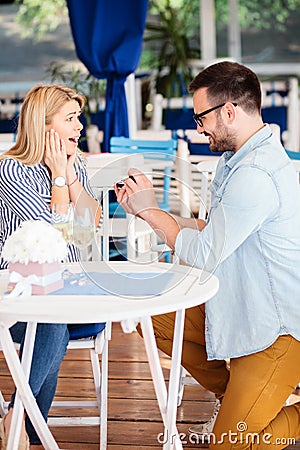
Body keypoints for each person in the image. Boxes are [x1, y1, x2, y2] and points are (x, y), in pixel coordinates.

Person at [115, 61, 300, 449]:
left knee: (228, 444)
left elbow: (204, 253)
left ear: (229, 112)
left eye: (202, 117)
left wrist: (150, 211)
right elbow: (211, 231)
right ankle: (237, 396)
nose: (199, 127)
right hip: (243, 305)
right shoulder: (239, 160)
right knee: (159, 316)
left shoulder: (256, 174)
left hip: (276, 329)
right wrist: (151, 212)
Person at [0, 83, 102, 449]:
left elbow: (90, 227)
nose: (79, 126)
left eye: (78, 117)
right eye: (70, 119)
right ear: (43, 126)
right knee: (52, 322)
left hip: (70, 291)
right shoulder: (12, 170)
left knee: (55, 317)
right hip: (18, 294)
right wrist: (58, 176)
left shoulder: (78, 167)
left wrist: (69, 174)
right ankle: (26, 426)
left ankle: (16, 417)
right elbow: (53, 234)